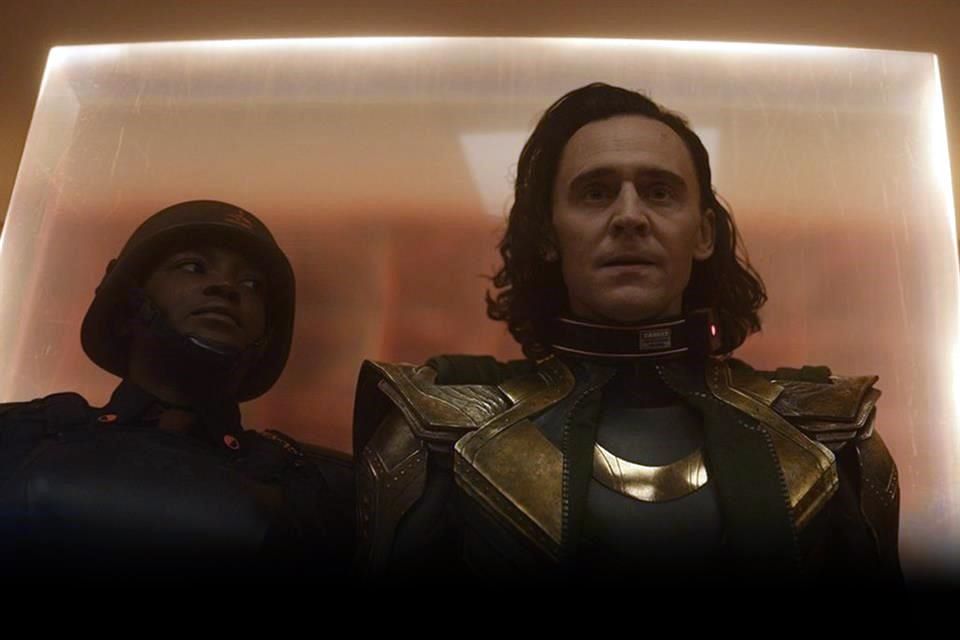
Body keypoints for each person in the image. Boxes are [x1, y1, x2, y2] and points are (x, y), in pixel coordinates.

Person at [352, 83, 901, 585]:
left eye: (660, 192)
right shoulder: (442, 429)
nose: (630, 216)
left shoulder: (825, 430)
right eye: (596, 193)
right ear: (548, 235)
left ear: (703, 232)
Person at [0, 199, 353, 580]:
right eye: (192, 266)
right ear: (128, 298)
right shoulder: (20, 434)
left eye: (252, 284)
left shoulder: (316, 489)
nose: (226, 288)